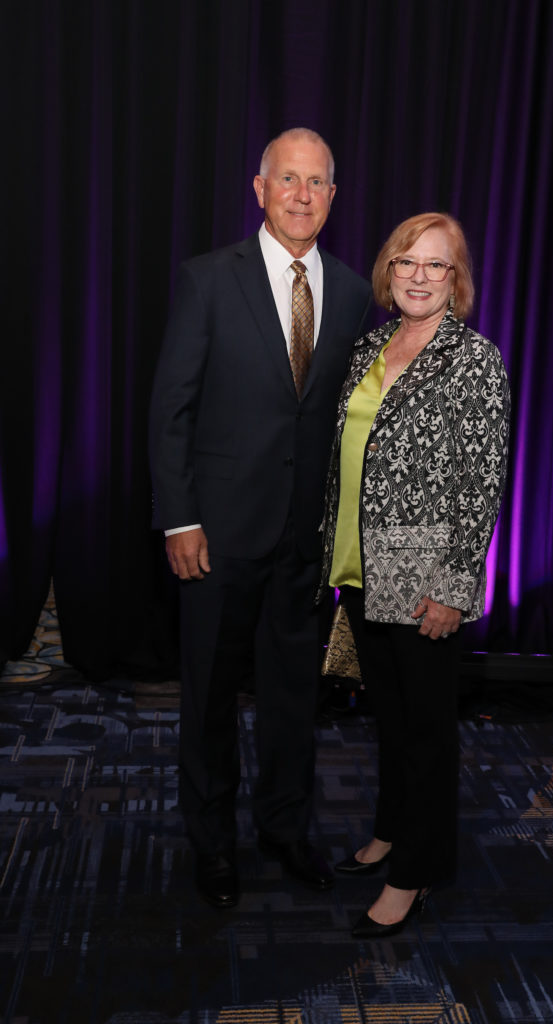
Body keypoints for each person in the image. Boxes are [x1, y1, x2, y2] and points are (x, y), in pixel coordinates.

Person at [149, 128, 371, 909]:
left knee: (290, 700)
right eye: (288, 180)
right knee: (208, 697)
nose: (302, 195)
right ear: (259, 188)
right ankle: (212, 845)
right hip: (216, 536)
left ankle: (284, 828)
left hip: (303, 541)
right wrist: (179, 520)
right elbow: (171, 408)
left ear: (333, 197)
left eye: (316, 183)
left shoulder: (349, 290)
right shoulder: (208, 280)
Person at [318, 212, 510, 937]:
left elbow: (479, 482)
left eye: (437, 264)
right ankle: (391, 830)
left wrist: (454, 587)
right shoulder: (373, 344)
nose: (419, 276)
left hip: (423, 579)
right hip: (361, 567)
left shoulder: (473, 360)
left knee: (426, 730)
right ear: (387, 271)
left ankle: (415, 872)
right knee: (391, 720)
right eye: (407, 262)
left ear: (456, 280)